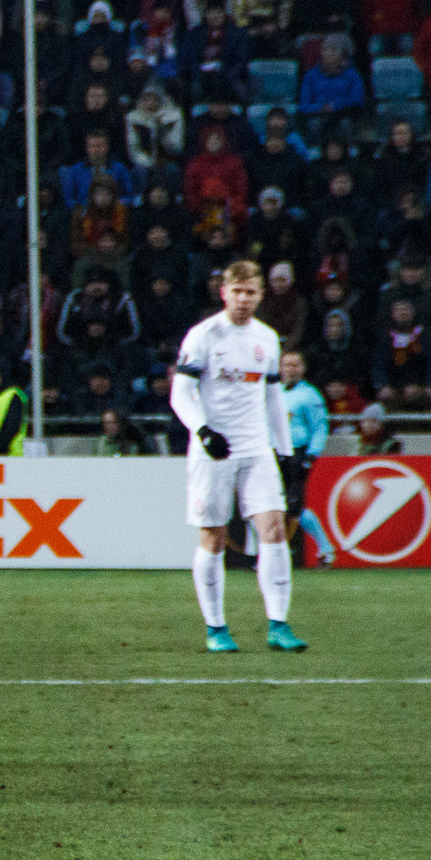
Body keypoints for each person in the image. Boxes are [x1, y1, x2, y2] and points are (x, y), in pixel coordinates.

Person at [171, 259, 306, 654]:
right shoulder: (204, 335)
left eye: (251, 292)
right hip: (213, 452)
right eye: (237, 292)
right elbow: (180, 393)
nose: (244, 299)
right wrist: (203, 430)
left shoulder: (266, 338)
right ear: (224, 293)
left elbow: (272, 397)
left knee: (275, 530)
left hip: (255, 449)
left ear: (261, 295)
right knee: (213, 536)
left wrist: (286, 453)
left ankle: (278, 625)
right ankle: (216, 628)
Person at [277, 350, 335, 567]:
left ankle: (326, 549)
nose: (291, 369)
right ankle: (271, 553)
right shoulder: (271, 392)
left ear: (302, 368)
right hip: (273, 453)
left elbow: (320, 426)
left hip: (297, 453)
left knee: (295, 506)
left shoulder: (310, 395)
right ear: (280, 367)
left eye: (295, 365)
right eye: (287, 365)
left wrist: (313, 453)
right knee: (268, 505)